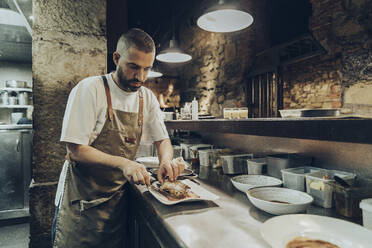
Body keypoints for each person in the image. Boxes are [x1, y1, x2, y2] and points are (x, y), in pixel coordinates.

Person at [52, 28, 184, 248]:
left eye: (147, 69)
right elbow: (75, 149)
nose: (140, 77)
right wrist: (125, 163)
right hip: (84, 201)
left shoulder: (147, 98)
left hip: (118, 200)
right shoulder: (89, 89)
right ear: (116, 58)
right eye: (133, 67)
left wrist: (166, 161)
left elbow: (163, 140)